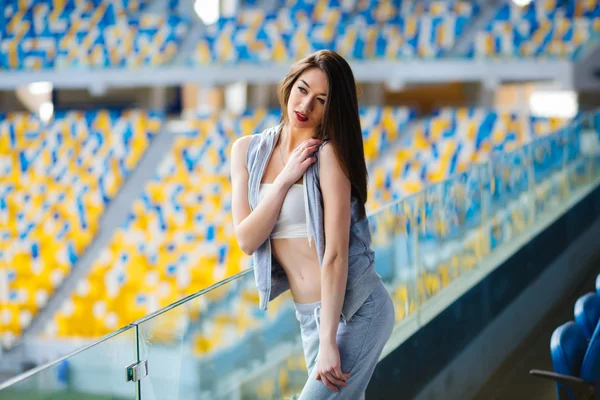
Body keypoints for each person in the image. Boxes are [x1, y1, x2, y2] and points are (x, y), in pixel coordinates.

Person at [230, 50, 395, 399]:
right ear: (290, 84)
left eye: (321, 100)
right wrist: (285, 179)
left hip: (355, 310)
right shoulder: (246, 150)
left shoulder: (329, 155)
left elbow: (335, 255)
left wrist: (328, 341)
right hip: (309, 318)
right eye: (302, 89)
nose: (305, 105)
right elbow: (246, 238)